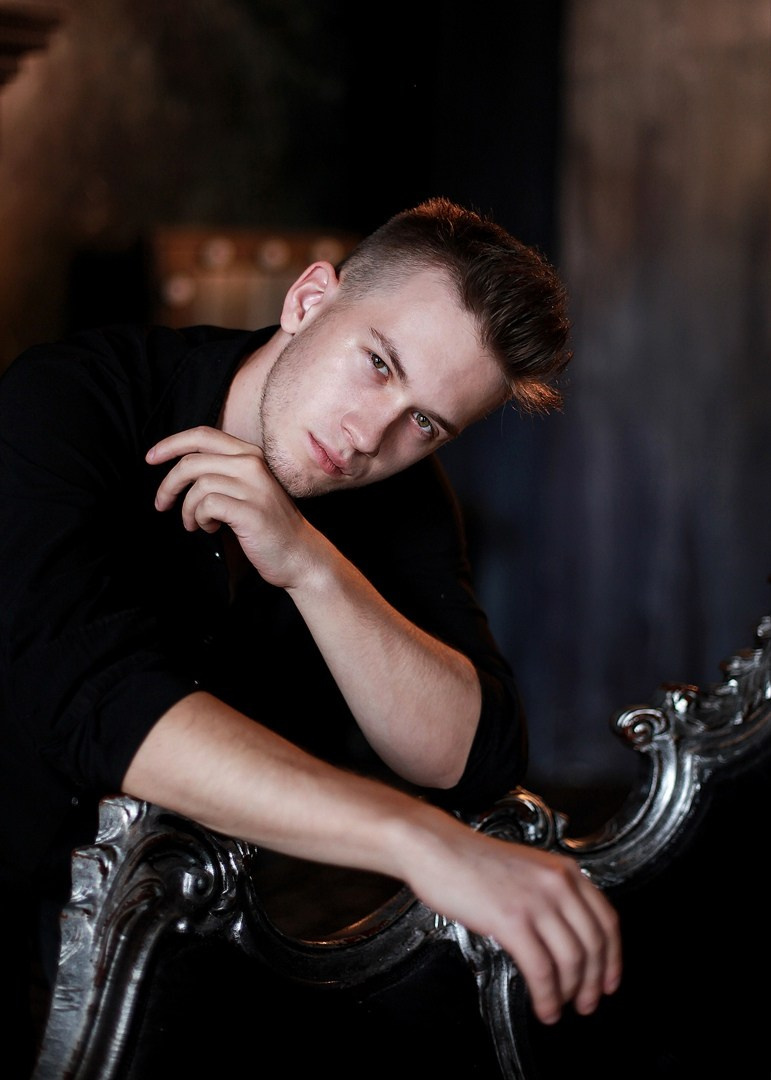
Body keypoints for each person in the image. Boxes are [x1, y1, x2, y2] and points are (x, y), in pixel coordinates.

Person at [0, 197, 620, 1063]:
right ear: (308, 299)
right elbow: (93, 704)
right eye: (377, 363)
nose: (369, 436)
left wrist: (310, 565)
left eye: (425, 423)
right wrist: (416, 841)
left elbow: (469, 752)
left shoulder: (397, 490)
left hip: (172, 948)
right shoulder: (66, 398)